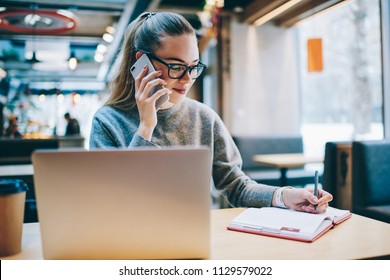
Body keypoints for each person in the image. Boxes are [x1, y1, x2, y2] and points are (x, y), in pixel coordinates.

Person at [89, 11, 333, 213]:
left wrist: (286, 196)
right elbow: (113, 202)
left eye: (194, 67)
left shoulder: (203, 117)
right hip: (130, 243)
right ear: (142, 62)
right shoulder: (107, 121)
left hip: (195, 236)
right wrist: (145, 128)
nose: (187, 79)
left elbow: (236, 186)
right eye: (176, 67)